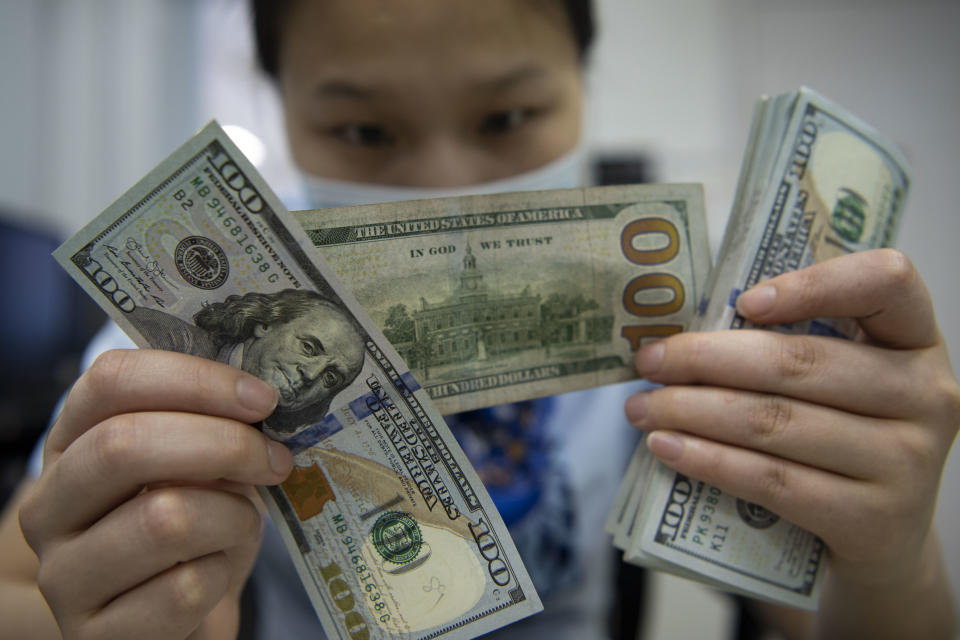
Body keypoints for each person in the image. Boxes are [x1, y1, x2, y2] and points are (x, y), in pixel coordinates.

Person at [0, 1, 957, 639]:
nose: (448, 192)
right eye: (365, 132)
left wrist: (894, 563)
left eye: (508, 120)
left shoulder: (692, 331)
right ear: (280, 106)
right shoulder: (180, 355)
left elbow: (826, 616)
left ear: (582, 85)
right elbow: (18, 586)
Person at [130, 289, 366, 437]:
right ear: (265, 324)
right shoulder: (167, 339)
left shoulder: (270, 451)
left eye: (331, 377)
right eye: (308, 347)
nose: (312, 374)